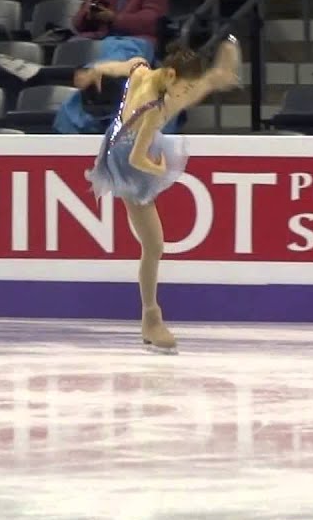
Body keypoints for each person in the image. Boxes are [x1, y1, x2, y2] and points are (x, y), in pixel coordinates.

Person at [74, 36, 243, 353]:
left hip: (118, 141)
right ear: (170, 75)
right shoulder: (153, 109)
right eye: (183, 86)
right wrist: (161, 168)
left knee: (152, 245)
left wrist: (96, 70)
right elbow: (138, 159)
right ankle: (151, 318)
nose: (183, 92)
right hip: (129, 163)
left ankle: (218, 76)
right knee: (154, 245)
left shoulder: (140, 70)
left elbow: (118, 66)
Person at [54, 0, 170, 134]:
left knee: (116, 50)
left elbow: (149, 21)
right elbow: (78, 24)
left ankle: (97, 72)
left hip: (139, 41)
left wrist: (114, 18)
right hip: (106, 40)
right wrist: (89, 11)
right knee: (74, 100)